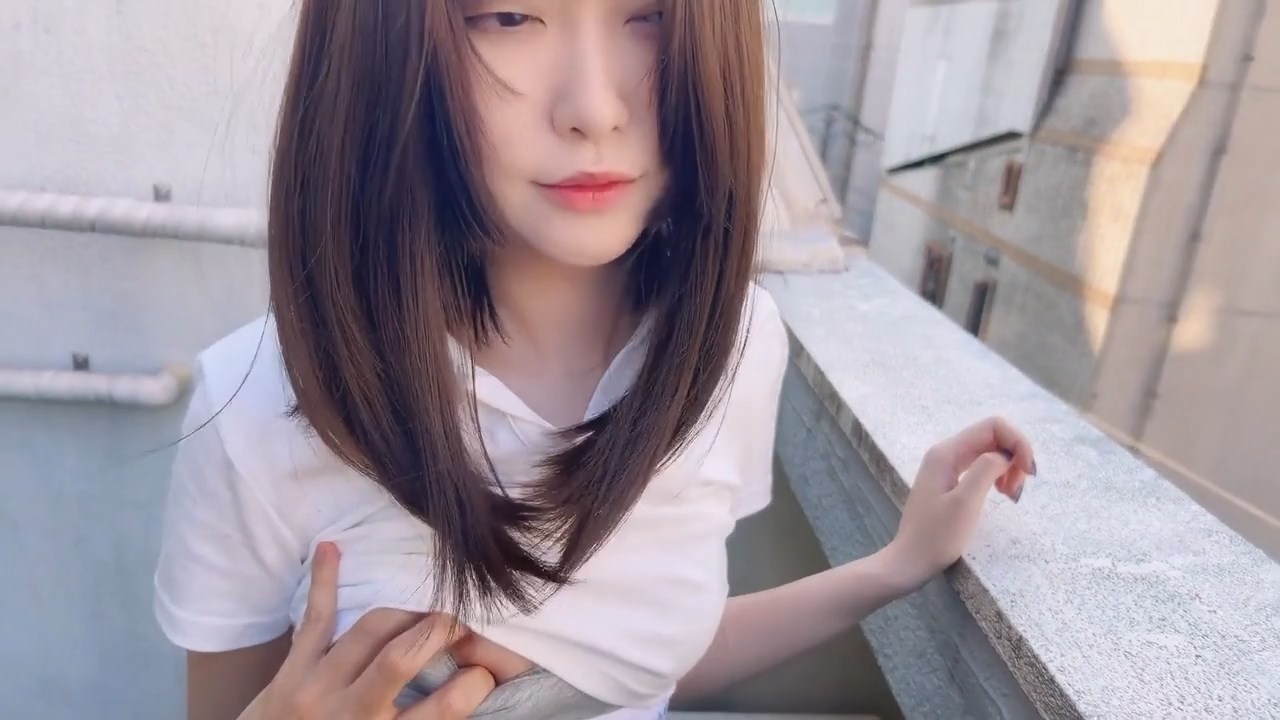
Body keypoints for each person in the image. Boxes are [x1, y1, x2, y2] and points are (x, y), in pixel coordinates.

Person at [153, 1, 1037, 719]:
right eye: (507, 17)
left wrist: (894, 566)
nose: (595, 107)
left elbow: (651, 656)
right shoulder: (260, 405)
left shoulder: (733, 348)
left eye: (650, 16)